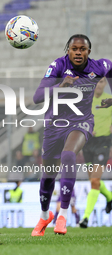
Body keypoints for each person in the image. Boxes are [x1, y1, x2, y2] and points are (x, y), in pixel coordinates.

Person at [31, 34, 112, 236]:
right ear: (68, 50)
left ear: (88, 52)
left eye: (82, 49)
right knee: (48, 175)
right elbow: (37, 97)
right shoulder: (58, 66)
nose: (78, 52)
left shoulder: (99, 67)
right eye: (74, 49)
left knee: (69, 155)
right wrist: (60, 86)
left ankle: (62, 216)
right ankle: (44, 216)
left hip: (81, 122)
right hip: (54, 125)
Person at [79, 77, 112, 228]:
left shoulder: (109, 100)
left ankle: (85, 218)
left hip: (103, 143)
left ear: (105, 84)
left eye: (102, 82)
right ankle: (110, 197)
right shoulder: (85, 100)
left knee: (94, 181)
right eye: (97, 82)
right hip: (88, 143)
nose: (99, 85)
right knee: (94, 180)